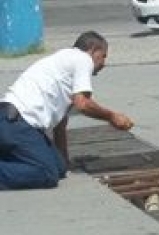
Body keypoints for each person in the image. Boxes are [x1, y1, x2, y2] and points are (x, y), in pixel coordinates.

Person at [0, 32, 134, 190]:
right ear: (93, 49)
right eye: (103, 56)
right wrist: (112, 116)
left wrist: (64, 162)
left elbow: (60, 125)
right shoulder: (82, 59)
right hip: (17, 124)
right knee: (46, 173)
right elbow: (83, 104)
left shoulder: (64, 62)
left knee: (58, 168)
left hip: (14, 123)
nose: (104, 63)